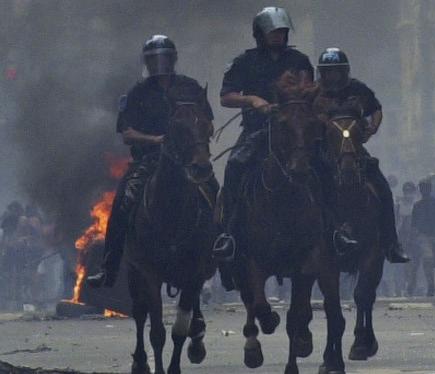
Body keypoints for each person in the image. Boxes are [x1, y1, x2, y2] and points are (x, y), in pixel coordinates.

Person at [212, 8, 357, 275]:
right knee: (234, 166)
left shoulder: (299, 60)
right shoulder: (244, 62)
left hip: (297, 130)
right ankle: (229, 235)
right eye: (273, 32)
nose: (279, 36)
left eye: (282, 32)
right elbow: (226, 97)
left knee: (325, 165)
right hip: (259, 131)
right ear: (260, 34)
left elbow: (311, 91)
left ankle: (336, 229)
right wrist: (253, 100)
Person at [87, 35, 215, 288]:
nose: (160, 64)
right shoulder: (138, 93)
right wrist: (156, 139)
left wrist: (198, 137)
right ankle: (109, 267)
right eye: (155, 60)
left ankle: (222, 252)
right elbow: (127, 133)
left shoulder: (190, 87)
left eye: (164, 58)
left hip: (188, 160)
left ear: (173, 59)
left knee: (214, 191)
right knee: (123, 202)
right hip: (149, 161)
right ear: (148, 62)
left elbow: (207, 122)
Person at [313, 47, 409, 263]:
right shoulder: (313, 92)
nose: (333, 76)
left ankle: (391, 243)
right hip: (322, 150)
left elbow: (376, 109)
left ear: (344, 71)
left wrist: (373, 127)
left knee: (382, 188)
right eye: (328, 71)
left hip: (353, 148)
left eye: (337, 71)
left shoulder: (358, 89)